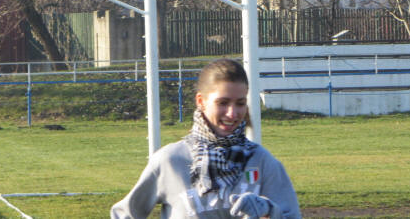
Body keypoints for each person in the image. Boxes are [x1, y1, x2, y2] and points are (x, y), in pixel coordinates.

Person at [111, 58, 301, 219]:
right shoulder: (170, 160)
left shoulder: (261, 161)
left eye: (240, 103)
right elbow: (124, 214)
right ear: (201, 101)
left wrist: (269, 211)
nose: (232, 113)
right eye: (223, 103)